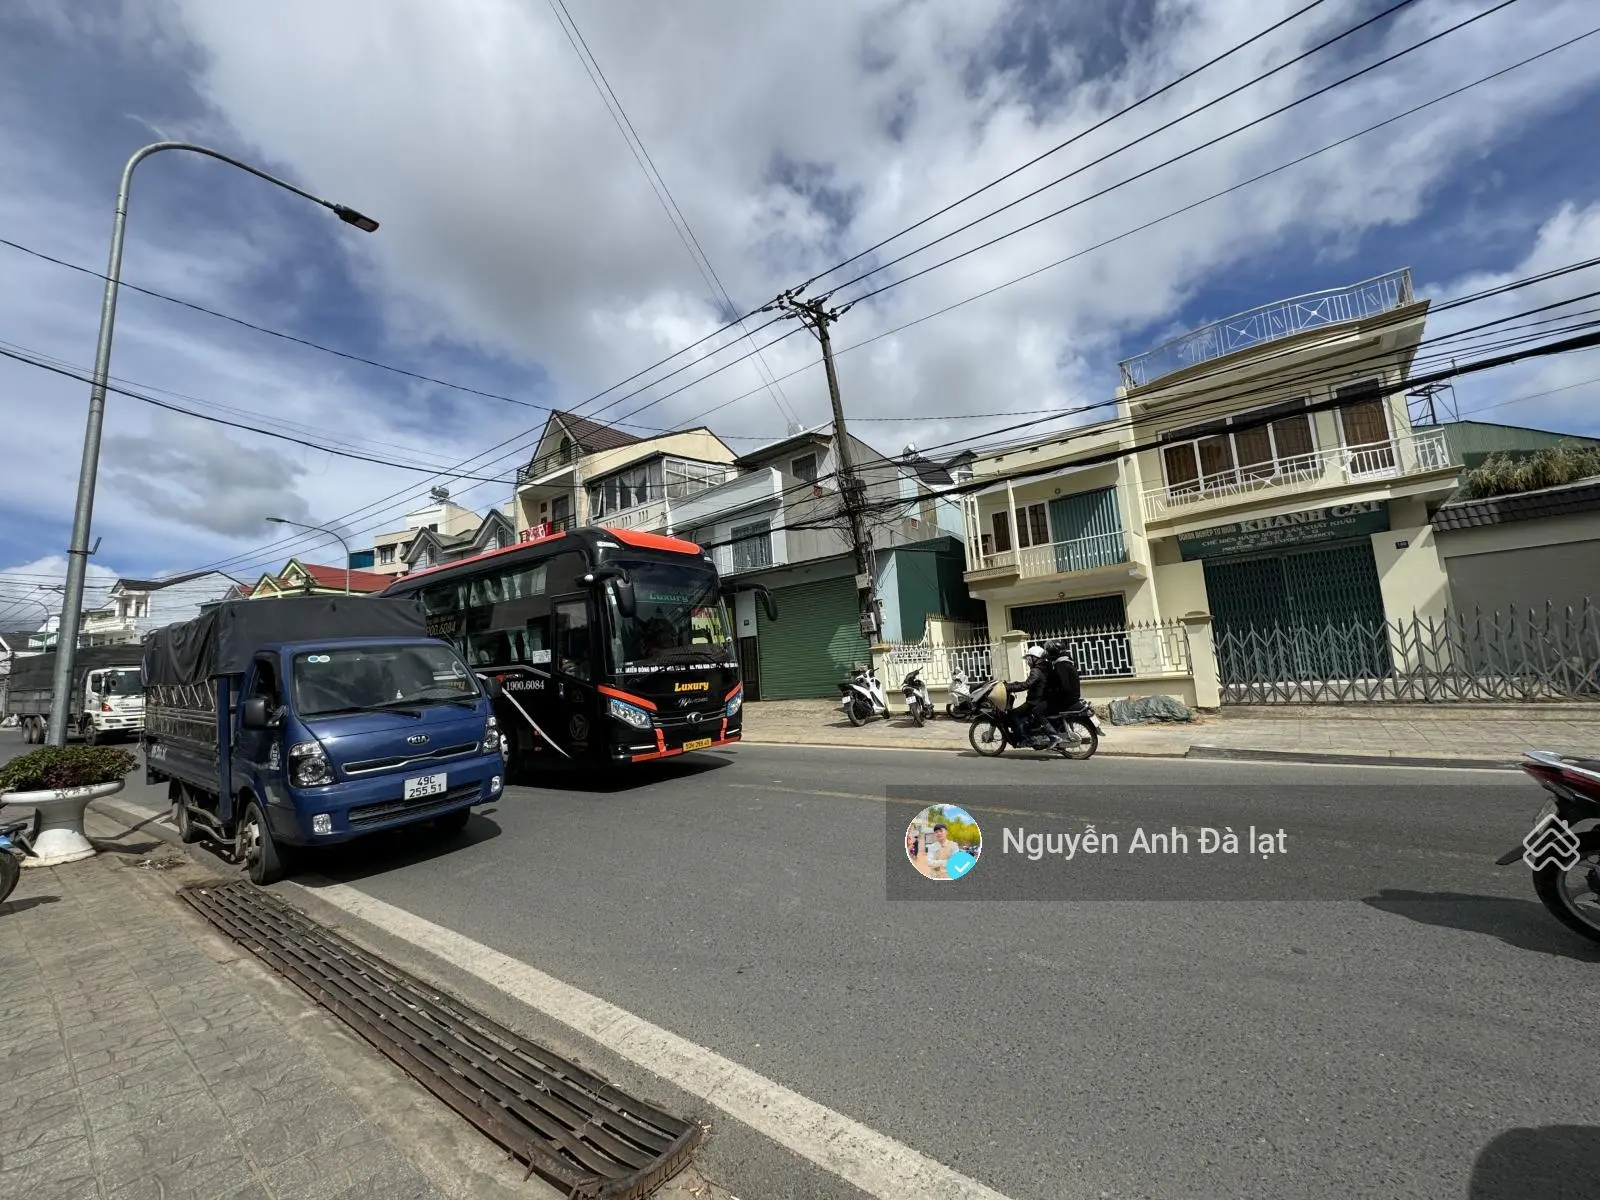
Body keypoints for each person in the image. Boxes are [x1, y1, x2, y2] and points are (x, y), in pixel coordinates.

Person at [1006, 644, 1056, 747]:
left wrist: (1009, 687)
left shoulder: (1036, 670)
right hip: (1043, 699)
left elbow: (1026, 685)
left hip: (1034, 701)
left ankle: (1024, 739)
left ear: (1035, 658)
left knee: (1013, 714)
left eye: (1029, 659)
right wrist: (1015, 684)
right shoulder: (1046, 667)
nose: (1028, 662)